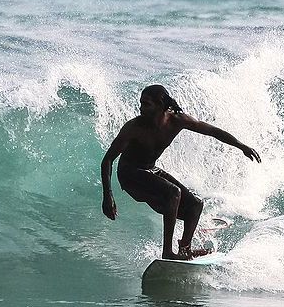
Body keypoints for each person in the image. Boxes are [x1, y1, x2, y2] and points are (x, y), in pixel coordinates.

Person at [101, 84, 261, 260]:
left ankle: (185, 250)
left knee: (195, 205)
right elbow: (108, 160)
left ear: (161, 105)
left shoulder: (177, 121)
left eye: (146, 104)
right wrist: (108, 196)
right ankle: (168, 252)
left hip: (149, 170)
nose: (141, 108)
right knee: (173, 193)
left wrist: (240, 145)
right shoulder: (134, 127)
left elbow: (212, 131)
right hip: (129, 173)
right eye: (141, 103)